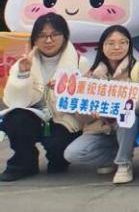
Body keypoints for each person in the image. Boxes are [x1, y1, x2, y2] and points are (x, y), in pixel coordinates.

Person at [0, 14, 83, 182]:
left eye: (54, 34)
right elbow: (14, 101)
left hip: (63, 119)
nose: (48, 40)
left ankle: (58, 159)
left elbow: (84, 100)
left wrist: (62, 91)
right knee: (16, 119)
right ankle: (24, 162)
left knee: (58, 151)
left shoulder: (81, 62)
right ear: (34, 39)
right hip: (34, 117)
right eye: (42, 35)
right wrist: (23, 73)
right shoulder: (23, 62)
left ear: (64, 36)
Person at [62, 25, 139, 184]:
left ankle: (124, 164)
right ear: (102, 46)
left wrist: (115, 107)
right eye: (111, 43)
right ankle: (115, 155)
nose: (117, 47)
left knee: (126, 117)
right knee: (72, 153)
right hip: (100, 129)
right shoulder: (91, 75)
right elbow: (81, 115)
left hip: (128, 127)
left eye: (123, 42)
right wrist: (92, 112)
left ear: (129, 45)